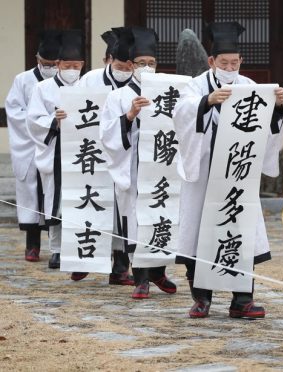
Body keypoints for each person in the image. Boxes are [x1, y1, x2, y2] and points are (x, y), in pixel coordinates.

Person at [173, 21, 283, 319]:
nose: (230, 67)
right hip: (204, 172)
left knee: (239, 230)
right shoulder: (196, 85)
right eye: (224, 62)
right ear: (211, 61)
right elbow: (181, 115)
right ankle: (201, 298)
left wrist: (277, 107)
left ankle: (242, 299)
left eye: (235, 62)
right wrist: (207, 101)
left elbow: (268, 130)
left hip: (238, 173)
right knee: (200, 233)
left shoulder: (250, 87)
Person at [100, 26, 177, 299]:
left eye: (152, 63)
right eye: (142, 63)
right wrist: (130, 115)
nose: (148, 67)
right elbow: (107, 134)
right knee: (136, 220)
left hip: (162, 167)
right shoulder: (118, 96)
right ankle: (141, 277)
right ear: (131, 65)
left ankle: (158, 271)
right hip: (133, 167)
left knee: (160, 217)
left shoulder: (169, 91)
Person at [71, 27, 134, 285]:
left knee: (123, 210)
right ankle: (84, 260)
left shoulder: (141, 82)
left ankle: (120, 267)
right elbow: (75, 109)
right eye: (120, 65)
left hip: (126, 153)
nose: (124, 70)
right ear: (110, 60)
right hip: (94, 152)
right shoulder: (91, 79)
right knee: (92, 203)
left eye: (130, 66)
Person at [27, 29, 85, 269]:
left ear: (82, 65)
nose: (72, 69)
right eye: (67, 65)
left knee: (81, 201)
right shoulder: (43, 88)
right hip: (56, 151)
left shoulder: (88, 85)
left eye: (76, 65)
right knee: (56, 202)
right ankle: (57, 250)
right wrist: (53, 120)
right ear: (58, 64)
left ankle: (80, 249)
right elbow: (32, 119)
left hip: (82, 152)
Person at [5, 30, 61, 263]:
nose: (49, 67)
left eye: (53, 64)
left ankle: (57, 248)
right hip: (30, 144)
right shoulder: (23, 80)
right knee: (32, 194)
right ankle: (32, 245)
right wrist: (39, 121)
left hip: (55, 143)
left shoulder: (63, 80)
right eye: (45, 63)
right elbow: (14, 110)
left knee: (54, 194)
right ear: (37, 59)